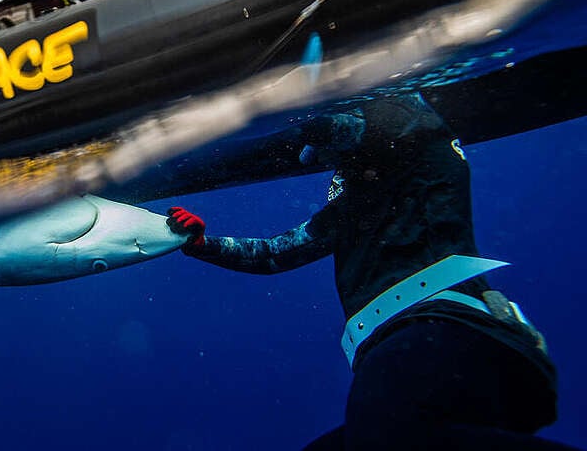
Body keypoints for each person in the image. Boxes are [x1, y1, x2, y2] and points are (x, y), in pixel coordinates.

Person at [168, 93, 572, 450]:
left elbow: (356, 126)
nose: (326, 164)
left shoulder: (421, 138)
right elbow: (273, 254)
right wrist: (201, 243)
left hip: (442, 325)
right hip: (423, 349)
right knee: (379, 438)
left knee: (381, 438)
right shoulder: (356, 204)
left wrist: (275, 106)